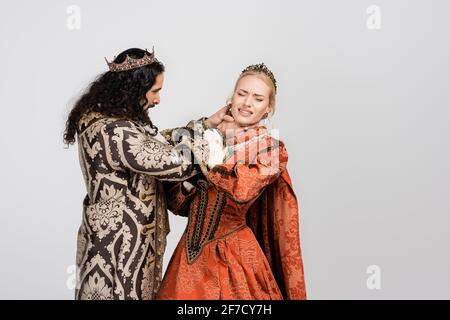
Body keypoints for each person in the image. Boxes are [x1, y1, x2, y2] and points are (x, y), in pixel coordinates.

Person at [63, 48, 231, 300]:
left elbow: (154, 146)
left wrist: (206, 124)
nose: (157, 100)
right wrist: (217, 138)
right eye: (155, 91)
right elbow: (177, 162)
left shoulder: (111, 122)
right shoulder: (114, 131)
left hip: (114, 237)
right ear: (132, 89)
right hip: (119, 246)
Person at [157, 63, 307, 300]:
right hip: (188, 256)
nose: (247, 103)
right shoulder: (208, 136)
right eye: (242, 94)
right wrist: (206, 128)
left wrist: (205, 159)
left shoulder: (270, 150)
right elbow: (178, 202)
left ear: (268, 108)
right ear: (231, 97)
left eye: (257, 99)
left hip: (233, 256)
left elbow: (243, 189)